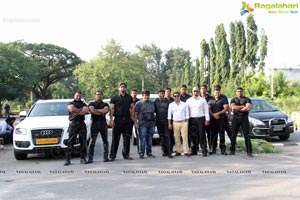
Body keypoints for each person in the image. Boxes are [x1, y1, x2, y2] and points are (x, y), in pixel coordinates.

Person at [109, 82, 135, 161]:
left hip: (127, 121)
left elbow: (132, 108)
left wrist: (132, 117)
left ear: (126, 88)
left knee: (127, 139)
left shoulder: (129, 97)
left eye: (124, 87)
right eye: (121, 87)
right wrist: (111, 120)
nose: (122, 88)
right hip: (118, 120)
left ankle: (126, 154)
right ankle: (112, 155)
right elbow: (111, 109)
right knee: (115, 139)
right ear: (118, 88)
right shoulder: (114, 97)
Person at [64, 91, 90, 166]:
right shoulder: (70, 103)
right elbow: (72, 110)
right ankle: (67, 159)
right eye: (77, 96)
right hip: (73, 125)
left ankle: (83, 158)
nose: (78, 97)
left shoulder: (83, 103)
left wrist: (76, 111)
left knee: (83, 142)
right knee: (71, 142)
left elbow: (86, 110)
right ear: (74, 96)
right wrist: (81, 110)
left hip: (82, 124)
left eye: (79, 96)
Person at [186, 87, 210, 156]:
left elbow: (206, 110)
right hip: (192, 119)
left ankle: (204, 150)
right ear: (192, 92)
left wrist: (207, 119)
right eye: (194, 91)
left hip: (201, 119)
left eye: (197, 91)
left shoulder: (203, 100)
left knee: (202, 135)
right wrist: (187, 120)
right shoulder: (188, 101)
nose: (195, 92)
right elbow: (187, 111)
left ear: (199, 92)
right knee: (193, 135)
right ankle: (194, 150)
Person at [87, 90, 110, 163]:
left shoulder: (105, 104)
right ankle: (90, 158)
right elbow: (92, 111)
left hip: (103, 123)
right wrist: (101, 111)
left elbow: (105, 111)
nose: (99, 96)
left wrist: (96, 111)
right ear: (95, 96)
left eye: (100, 94)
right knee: (92, 141)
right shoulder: (91, 103)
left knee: (105, 141)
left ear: (102, 96)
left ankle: (105, 157)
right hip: (94, 123)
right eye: (97, 94)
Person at [230, 87, 253, 157]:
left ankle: (249, 152)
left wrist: (238, 108)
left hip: (244, 119)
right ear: (236, 92)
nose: (239, 92)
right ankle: (232, 150)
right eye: (238, 91)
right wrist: (243, 106)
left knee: (247, 135)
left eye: (240, 91)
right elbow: (233, 107)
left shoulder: (247, 99)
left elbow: (248, 108)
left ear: (242, 92)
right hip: (235, 119)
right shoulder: (233, 99)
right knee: (233, 135)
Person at [134, 90, 156, 159]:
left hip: (151, 124)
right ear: (142, 96)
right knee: (142, 139)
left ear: (149, 96)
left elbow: (155, 112)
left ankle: (149, 153)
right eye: (144, 95)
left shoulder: (152, 103)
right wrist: (136, 122)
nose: (146, 96)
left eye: (147, 95)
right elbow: (135, 114)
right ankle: (141, 153)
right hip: (142, 124)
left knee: (150, 139)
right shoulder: (138, 103)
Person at [208, 85, 229, 155]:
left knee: (221, 134)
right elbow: (208, 109)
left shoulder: (224, 98)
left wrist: (217, 114)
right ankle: (213, 148)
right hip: (213, 119)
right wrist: (213, 115)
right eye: (215, 90)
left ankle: (223, 149)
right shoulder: (210, 100)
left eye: (218, 90)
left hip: (221, 119)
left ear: (220, 91)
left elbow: (225, 108)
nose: (217, 92)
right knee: (213, 134)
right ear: (213, 91)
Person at [168, 91, 189, 156]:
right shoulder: (171, 105)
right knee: (177, 138)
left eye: (177, 96)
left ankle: (186, 151)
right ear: (173, 97)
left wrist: (186, 123)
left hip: (183, 122)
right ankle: (178, 151)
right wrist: (169, 124)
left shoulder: (184, 104)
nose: (176, 97)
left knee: (185, 137)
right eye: (175, 96)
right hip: (175, 123)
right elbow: (169, 116)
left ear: (180, 96)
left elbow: (187, 115)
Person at [154, 89, 173, 158]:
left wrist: (170, 123)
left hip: (166, 121)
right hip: (159, 122)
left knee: (167, 136)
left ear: (164, 94)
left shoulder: (168, 102)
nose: (161, 95)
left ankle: (169, 152)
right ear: (158, 94)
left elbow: (171, 113)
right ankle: (163, 151)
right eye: (160, 93)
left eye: (162, 93)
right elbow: (153, 110)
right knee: (161, 137)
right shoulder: (155, 101)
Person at [200, 84, 214, 153]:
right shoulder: (198, 98)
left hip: (209, 118)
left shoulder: (211, 98)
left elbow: (210, 106)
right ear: (200, 90)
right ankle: (201, 147)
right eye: (202, 88)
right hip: (200, 119)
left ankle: (210, 147)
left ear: (206, 89)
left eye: (204, 88)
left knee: (209, 134)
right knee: (201, 134)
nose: (203, 90)